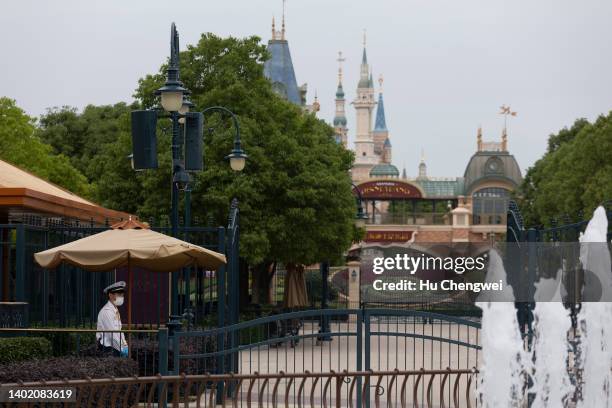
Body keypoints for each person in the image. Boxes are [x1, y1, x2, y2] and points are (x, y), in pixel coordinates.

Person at [96, 281, 128, 357]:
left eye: (122, 295)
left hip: (115, 347)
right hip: (108, 349)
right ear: (110, 295)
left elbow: (119, 330)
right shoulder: (106, 311)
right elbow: (113, 333)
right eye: (119, 294)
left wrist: (125, 345)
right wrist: (122, 349)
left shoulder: (114, 310)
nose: (121, 297)